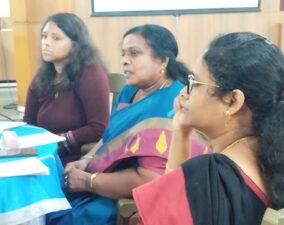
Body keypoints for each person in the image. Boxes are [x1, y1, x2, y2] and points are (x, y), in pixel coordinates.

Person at [47, 24, 201, 225]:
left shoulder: (173, 104)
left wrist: (87, 181)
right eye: (123, 54)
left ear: (163, 60)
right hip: (101, 178)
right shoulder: (131, 91)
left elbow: (150, 178)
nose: (125, 60)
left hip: (128, 198)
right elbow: (111, 135)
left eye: (134, 53)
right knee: (46, 199)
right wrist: (86, 159)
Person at [133, 32, 284, 225]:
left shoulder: (211, 176)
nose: (184, 93)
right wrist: (181, 131)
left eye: (194, 84)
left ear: (232, 101)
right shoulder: (269, 156)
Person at [23, 13, 110, 165]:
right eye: (44, 36)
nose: (46, 43)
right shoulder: (42, 76)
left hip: (72, 160)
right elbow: (29, 123)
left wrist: (55, 143)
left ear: (75, 46)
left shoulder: (91, 74)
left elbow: (98, 128)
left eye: (55, 38)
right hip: (40, 154)